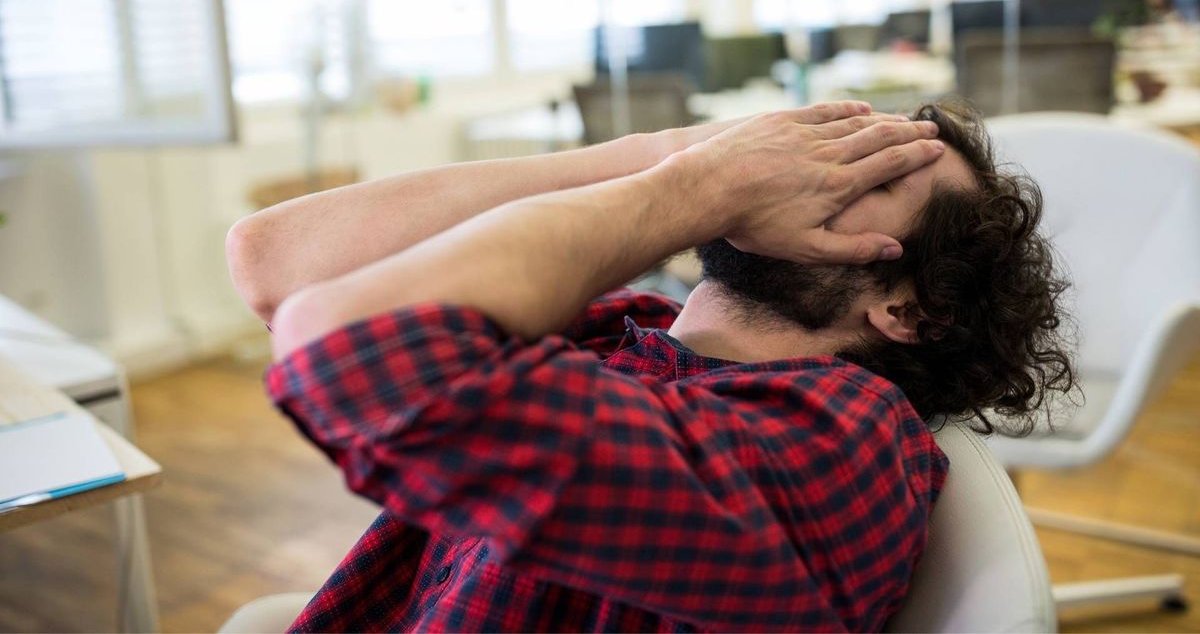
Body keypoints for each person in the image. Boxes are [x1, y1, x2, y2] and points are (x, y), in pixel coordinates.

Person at [226, 99, 1073, 632]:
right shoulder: (631, 327)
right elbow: (274, 262)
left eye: (872, 170)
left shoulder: (845, 442)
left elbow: (346, 339)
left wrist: (697, 191)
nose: (814, 160)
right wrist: (680, 156)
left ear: (907, 307)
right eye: (833, 138)